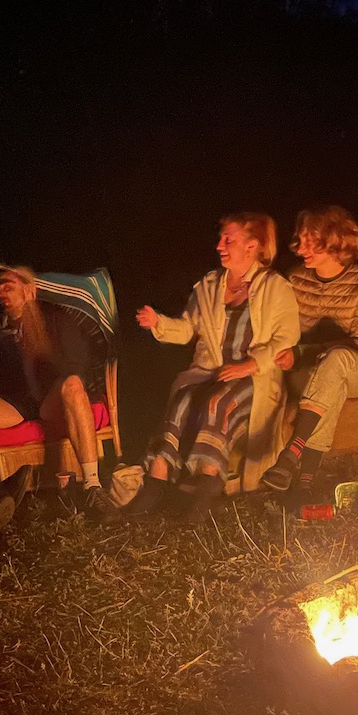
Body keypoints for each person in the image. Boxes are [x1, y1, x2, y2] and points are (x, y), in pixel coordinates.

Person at [127, 211, 300, 519]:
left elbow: (285, 338)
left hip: (255, 378)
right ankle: (156, 481)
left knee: (219, 402)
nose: (219, 244)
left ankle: (207, 484)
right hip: (211, 371)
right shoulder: (209, 286)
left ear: (252, 246)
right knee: (182, 398)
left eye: (228, 239)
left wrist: (248, 365)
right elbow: (187, 330)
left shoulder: (275, 287)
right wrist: (159, 323)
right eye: (221, 238)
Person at [0, 263, 118, 518]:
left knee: (72, 384)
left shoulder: (55, 318)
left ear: (29, 291)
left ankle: (92, 485)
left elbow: (77, 365)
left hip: (53, 398)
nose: (2, 291)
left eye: (9, 286)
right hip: (20, 405)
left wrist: (47, 368)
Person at [260, 205, 358, 505]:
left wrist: (305, 351)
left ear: (336, 240)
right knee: (331, 383)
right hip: (309, 373)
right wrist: (290, 352)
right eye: (300, 239)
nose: (300, 248)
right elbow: (285, 332)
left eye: (310, 240)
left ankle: (293, 450)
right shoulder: (296, 280)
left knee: (338, 360)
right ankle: (303, 483)